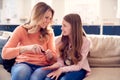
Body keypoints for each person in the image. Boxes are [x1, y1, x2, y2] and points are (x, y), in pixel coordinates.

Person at [2, 2, 57, 80]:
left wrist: (51, 56)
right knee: (21, 72)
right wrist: (26, 48)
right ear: (37, 15)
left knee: (36, 78)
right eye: (46, 17)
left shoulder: (49, 32)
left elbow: (54, 57)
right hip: (23, 63)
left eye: (50, 18)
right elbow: (5, 54)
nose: (48, 21)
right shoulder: (21, 30)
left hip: (43, 66)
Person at [42, 13, 91, 80]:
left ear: (74, 27)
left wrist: (61, 70)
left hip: (78, 69)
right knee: (48, 79)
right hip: (64, 67)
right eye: (62, 25)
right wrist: (53, 66)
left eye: (64, 26)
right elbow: (61, 62)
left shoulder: (85, 42)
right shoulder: (59, 41)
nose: (61, 28)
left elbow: (78, 66)